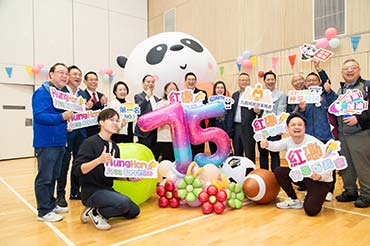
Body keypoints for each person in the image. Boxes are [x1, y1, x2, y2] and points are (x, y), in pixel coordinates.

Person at [74, 108, 140, 230]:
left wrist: (128, 178)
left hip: (107, 189)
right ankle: (96, 212)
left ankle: (95, 210)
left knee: (134, 211)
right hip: (91, 192)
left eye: (117, 120)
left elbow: (113, 173)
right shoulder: (89, 143)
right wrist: (98, 160)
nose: (115, 123)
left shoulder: (115, 146)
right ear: (101, 122)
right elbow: (78, 170)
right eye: (111, 120)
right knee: (123, 203)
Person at [260, 113, 332, 216]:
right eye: (293, 125)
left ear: (304, 127)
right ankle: (294, 200)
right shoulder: (289, 141)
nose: (296, 127)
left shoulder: (314, 143)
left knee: (311, 210)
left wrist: (320, 176)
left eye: (299, 124)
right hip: (304, 176)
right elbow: (276, 145)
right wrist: (267, 144)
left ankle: (319, 193)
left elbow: (329, 163)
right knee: (279, 171)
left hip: (320, 180)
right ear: (288, 129)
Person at [325, 59, 370, 208]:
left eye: (353, 68)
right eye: (346, 69)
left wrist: (358, 118)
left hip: (360, 133)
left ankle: (367, 194)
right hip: (342, 135)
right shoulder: (341, 90)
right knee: (346, 165)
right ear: (342, 73)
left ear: (359, 69)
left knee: (362, 165)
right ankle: (350, 191)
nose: (349, 71)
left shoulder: (366, 86)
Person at [32, 63, 74, 222]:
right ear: (50, 75)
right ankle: (43, 211)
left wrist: (67, 124)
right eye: (61, 72)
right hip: (46, 142)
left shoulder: (62, 94)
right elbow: (39, 116)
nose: (65, 76)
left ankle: (51, 204)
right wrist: (61, 118)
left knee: (54, 175)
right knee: (45, 177)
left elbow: (63, 116)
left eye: (66, 73)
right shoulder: (42, 92)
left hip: (60, 141)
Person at [56, 65, 88, 208]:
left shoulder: (82, 94)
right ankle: (60, 194)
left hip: (81, 133)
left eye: (80, 75)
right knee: (64, 164)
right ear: (68, 77)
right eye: (74, 74)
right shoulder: (60, 92)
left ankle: (75, 192)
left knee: (78, 163)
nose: (78, 77)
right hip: (66, 133)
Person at [258, 71, 286, 171]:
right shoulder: (260, 94)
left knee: (275, 153)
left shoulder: (281, 94)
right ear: (264, 81)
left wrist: (279, 127)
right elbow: (257, 113)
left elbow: (281, 111)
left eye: (272, 79)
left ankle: (275, 177)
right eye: (268, 79)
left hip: (274, 127)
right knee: (263, 153)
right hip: (261, 128)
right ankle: (264, 176)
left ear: (275, 80)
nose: (270, 81)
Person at [230, 73, 260, 163]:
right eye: (242, 80)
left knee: (249, 152)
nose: (244, 82)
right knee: (237, 153)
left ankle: (250, 173)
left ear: (249, 82)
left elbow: (260, 110)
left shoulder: (254, 95)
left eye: (246, 80)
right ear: (238, 82)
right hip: (236, 127)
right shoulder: (234, 95)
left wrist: (258, 111)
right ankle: (238, 174)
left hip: (248, 128)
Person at [134, 75, 160, 159]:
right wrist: (147, 98)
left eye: (152, 82)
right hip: (144, 132)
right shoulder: (138, 96)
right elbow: (139, 110)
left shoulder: (156, 98)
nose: (150, 84)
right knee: (145, 155)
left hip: (155, 131)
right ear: (143, 83)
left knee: (155, 154)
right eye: (148, 82)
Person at [184, 72, 208, 158]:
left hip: (199, 126)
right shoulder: (182, 94)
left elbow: (206, 110)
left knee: (199, 150)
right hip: (186, 128)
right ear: (185, 81)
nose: (191, 81)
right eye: (189, 79)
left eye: (193, 79)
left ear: (196, 81)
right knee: (187, 150)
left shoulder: (202, 93)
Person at [208, 81, 233, 154]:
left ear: (224, 90)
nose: (220, 89)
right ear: (214, 89)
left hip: (225, 131)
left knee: (225, 153)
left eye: (222, 88)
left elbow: (230, 118)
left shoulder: (229, 102)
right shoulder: (210, 102)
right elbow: (209, 118)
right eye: (218, 87)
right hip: (213, 131)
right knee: (214, 152)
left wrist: (229, 134)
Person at [157, 82, 179, 161]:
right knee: (167, 160)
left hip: (178, 138)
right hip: (165, 137)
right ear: (166, 92)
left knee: (177, 160)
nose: (173, 91)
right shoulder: (161, 103)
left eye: (174, 89)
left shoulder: (180, 103)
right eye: (170, 89)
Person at [84, 71, 108, 137]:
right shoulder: (82, 95)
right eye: (91, 80)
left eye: (96, 80)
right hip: (87, 130)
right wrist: (100, 103)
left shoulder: (101, 95)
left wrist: (105, 104)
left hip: (100, 130)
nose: (94, 82)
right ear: (85, 82)